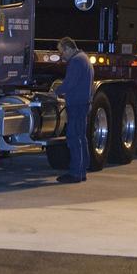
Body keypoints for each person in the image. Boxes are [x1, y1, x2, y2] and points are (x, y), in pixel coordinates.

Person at [55, 36, 93, 184]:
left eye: (62, 52)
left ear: (69, 48)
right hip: (82, 103)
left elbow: (69, 83)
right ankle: (82, 170)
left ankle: (76, 173)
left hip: (76, 104)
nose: (62, 56)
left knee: (74, 137)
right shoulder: (85, 58)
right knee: (81, 137)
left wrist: (55, 91)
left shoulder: (76, 61)